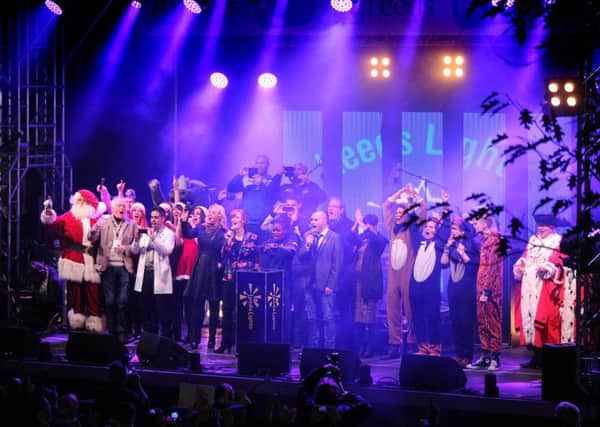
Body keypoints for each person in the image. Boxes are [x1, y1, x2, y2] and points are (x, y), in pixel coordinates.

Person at [40, 189, 106, 331]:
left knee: (93, 292)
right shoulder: (68, 217)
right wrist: (48, 213)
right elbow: (53, 224)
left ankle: (94, 321)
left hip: (92, 259)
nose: (80, 203)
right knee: (75, 292)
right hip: (74, 258)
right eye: (78, 200)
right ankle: (76, 321)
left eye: (82, 200)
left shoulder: (96, 218)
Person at [514, 214, 565, 369]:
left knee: (544, 321)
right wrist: (520, 266)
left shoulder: (557, 241)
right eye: (539, 225)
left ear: (552, 227)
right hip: (529, 285)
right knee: (530, 318)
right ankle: (536, 357)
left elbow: (559, 262)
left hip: (545, 286)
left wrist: (548, 268)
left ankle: (547, 359)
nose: (540, 228)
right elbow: (524, 258)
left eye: (544, 226)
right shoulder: (533, 241)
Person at [382, 183, 426, 358]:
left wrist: (412, 193)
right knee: (391, 309)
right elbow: (386, 206)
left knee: (410, 309)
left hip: (407, 275)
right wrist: (399, 191)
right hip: (393, 275)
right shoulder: (392, 228)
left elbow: (423, 208)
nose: (398, 214)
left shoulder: (412, 228)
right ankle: (394, 342)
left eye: (402, 213)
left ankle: (412, 341)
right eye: (397, 213)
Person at [89, 197, 138, 343]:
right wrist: (94, 229)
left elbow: (136, 248)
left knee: (122, 302)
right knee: (109, 301)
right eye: (118, 206)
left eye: (123, 206)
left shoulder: (132, 224)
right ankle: (111, 330)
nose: (121, 208)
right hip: (107, 266)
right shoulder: (103, 221)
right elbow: (92, 237)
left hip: (124, 267)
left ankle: (121, 331)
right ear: (112, 207)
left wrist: (126, 248)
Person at [408, 192, 450, 356]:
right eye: (427, 227)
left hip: (430, 288)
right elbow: (412, 225)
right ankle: (422, 346)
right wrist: (411, 202)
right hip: (415, 286)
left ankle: (434, 347)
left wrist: (445, 204)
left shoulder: (439, 244)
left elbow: (446, 228)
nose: (428, 229)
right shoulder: (419, 242)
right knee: (417, 317)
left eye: (432, 228)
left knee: (432, 317)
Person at [182, 204, 227, 350]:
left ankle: (212, 339)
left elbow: (226, 252)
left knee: (214, 306)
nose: (210, 214)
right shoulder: (200, 228)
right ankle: (195, 338)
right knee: (197, 304)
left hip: (214, 269)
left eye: (214, 213)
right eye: (210, 212)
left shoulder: (223, 232)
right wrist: (183, 222)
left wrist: (222, 262)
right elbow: (187, 234)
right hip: (200, 266)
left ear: (219, 216)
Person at [298, 211, 344, 348]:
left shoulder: (335, 238)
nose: (312, 222)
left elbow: (337, 264)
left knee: (328, 318)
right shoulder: (308, 236)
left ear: (324, 220)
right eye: (311, 219)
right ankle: (313, 348)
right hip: (309, 284)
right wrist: (307, 245)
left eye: (316, 219)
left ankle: (329, 349)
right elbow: (300, 256)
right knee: (312, 318)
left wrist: (331, 285)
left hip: (326, 285)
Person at [441, 216, 480, 368]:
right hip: (453, 287)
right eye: (452, 229)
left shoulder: (472, 243)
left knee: (465, 322)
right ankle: (459, 354)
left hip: (467, 287)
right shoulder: (452, 245)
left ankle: (467, 355)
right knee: (455, 322)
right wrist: (447, 247)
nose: (452, 231)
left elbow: (475, 264)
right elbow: (443, 264)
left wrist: (463, 254)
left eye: (455, 229)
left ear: (463, 230)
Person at [218, 209, 259, 353]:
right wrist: (228, 241)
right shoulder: (228, 237)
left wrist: (244, 265)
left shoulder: (252, 237)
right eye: (232, 216)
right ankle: (225, 342)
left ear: (243, 220)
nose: (234, 219)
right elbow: (223, 257)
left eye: (237, 216)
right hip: (229, 277)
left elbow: (255, 260)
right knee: (227, 310)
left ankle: (242, 344)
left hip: (245, 279)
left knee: (243, 311)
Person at [467, 215, 504, 370]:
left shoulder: (495, 240)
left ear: (484, 224)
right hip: (481, 285)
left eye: (477, 222)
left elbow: (493, 267)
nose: (474, 224)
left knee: (492, 321)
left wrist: (487, 290)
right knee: (482, 321)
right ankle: (485, 355)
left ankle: (495, 356)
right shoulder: (484, 240)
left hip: (491, 289)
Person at [131, 206, 175, 336]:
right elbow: (135, 250)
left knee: (161, 310)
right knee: (146, 308)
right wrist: (137, 239)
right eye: (152, 217)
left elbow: (167, 250)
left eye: (156, 217)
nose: (153, 220)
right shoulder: (147, 232)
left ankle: (165, 338)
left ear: (163, 218)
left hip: (160, 276)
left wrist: (154, 239)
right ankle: (148, 336)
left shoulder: (168, 233)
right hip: (145, 274)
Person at [351, 211, 388, 358]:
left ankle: (370, 347)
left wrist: (366, 226)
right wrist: (355, 225)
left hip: (370, 283)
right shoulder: (364, 238)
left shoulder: (378, 240)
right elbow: (349, 239)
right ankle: (360, 346)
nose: (366, 228)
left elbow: (380, 241)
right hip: (359, 282)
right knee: (359, 317)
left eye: (369, 225)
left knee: (369, 317)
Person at [326, 196, 357, 350]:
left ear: (342, 210)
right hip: (328, 275)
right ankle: (331, 344)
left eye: (334, 206)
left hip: (344, 276)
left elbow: (349, 250)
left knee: (345, 311)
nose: (330, 209)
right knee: (329, 311)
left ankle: (346, 346)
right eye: (329, 206)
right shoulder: (325, 224)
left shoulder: (349, 225)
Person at [227, 154, 278, 234]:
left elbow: (271, 197)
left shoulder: (271, 181)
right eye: (257, 163)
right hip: (246, 222)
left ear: (268, 165)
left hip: (263, 223)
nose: (259, 165)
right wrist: (239, 175)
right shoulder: (246, 180)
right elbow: (230, 189)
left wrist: (262, 184)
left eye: (262, 163)